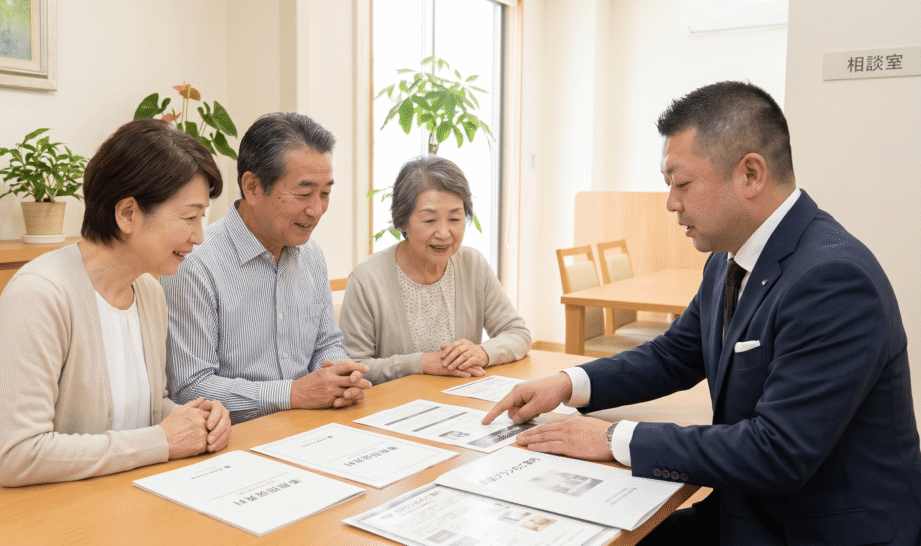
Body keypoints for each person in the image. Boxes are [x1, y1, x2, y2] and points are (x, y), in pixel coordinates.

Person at [483, 81, 921, 545]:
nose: (671, 203)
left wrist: (614, 439)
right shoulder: (727, 258)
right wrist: (568, 383)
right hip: (745, 512)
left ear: (750, 174)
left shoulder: (833, 279)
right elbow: (673, 355)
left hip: (816, 532)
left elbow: (778, 451)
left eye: (682, 183)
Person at [0, 120, 232, 500]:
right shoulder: (39, 296)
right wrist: (162, 440)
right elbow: (17, 455)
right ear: (128, 214)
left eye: (202, 218)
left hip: (100, 500)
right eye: (189, 217)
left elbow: (145, 413)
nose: (199, 236)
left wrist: (197, 418)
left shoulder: (149, 291)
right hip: (7, 513)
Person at [162, 112, 371, 424]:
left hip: (311, 427)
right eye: (304, 193)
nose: (316, 210)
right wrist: (292, 394)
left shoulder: (311, 254)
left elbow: (326, 345)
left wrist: (340, 380)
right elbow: (191, 387)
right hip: (235, 438)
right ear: (252, 187)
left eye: (325, 193)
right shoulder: (195, 263)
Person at [340, 156, 530, 384]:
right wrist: (419, 363)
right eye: (429, 220)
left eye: (455, 219)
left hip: (460, 397)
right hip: (396, 404)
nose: (443, 233)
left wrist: (483, 353)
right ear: (402, 221)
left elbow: (518, 333)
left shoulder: (473, 264)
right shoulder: (367, 279)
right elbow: (353, 367)